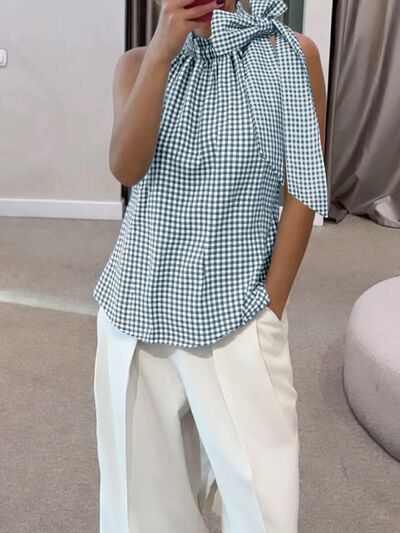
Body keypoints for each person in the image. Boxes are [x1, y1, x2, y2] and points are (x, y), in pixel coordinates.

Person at [92, 0, 329, 531]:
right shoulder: (137, 63)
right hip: (137, 310)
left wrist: (271, 311)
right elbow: (125, 167)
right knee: (142, 514)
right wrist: (162, 50)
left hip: (238, 315)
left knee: (265, 509)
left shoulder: (293, 56)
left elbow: (303, 189)